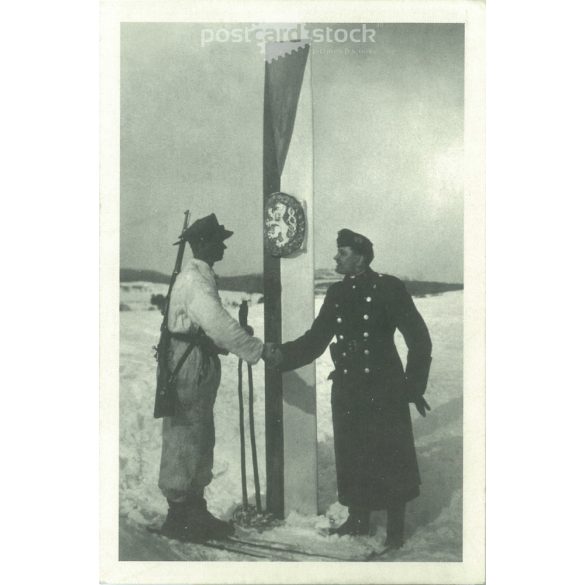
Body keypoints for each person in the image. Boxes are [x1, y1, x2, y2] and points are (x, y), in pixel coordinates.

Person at [270, 229, 432, 548]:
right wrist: (281, 354)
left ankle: (396, 528)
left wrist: (413, 386)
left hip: (385, 386)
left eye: (342, 252)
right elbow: (316, 340)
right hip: (349, 386)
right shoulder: (336, 294)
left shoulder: (389, 287)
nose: (335, 258)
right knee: (353, 452)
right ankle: (358, 519)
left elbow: (419, 339)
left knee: (390, 454)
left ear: (360, 256)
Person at [157, 213, 275, 543]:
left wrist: (227, 341)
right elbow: (217, 323)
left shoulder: (199, 276)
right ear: (204, 243)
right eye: (219, 240)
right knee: (186, 434)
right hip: (187, 365)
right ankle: (179, 515)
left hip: (195, 360)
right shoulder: (194, 281)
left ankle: (193, 509)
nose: (223, 246)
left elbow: (210, 328)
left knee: (198, 434)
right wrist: (256, 349)